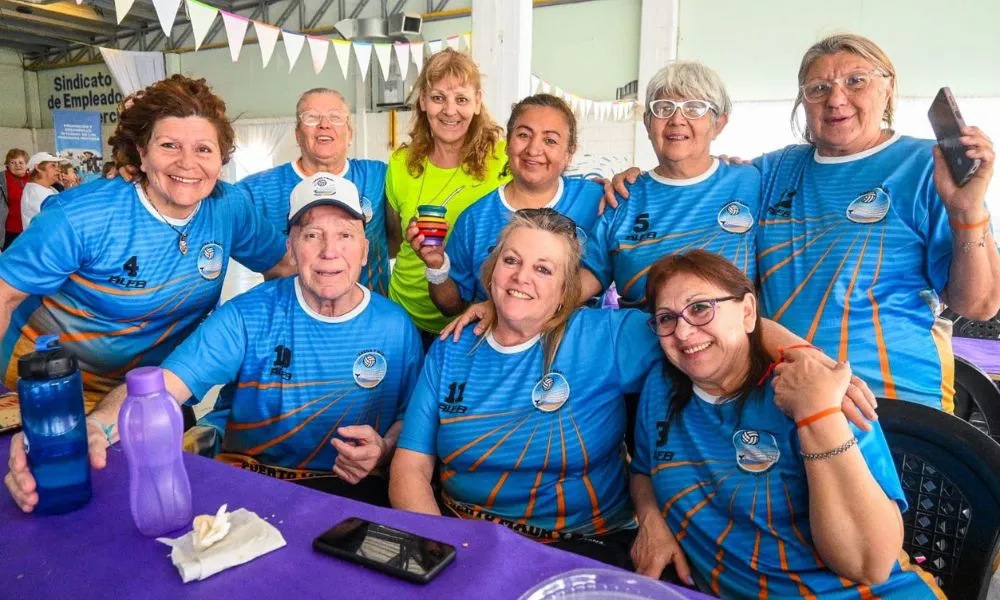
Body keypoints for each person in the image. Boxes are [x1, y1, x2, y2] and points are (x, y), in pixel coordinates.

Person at [609, 34, 999, 412]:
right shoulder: (774, 170)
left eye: (856, 81)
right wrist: (628, 184)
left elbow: (980, 304)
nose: (836, 99)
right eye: (817, 88)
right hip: (780, 397)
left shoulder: (926, 166)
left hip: (889, 399)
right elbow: (693, 178)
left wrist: (967, 212)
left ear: (887, 88)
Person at [4, 174, 421, 512]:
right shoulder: (247, 315)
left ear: (366, 251)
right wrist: (92, 429)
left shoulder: (396, 327)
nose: (330, 251)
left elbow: (412, 424)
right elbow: (165, 385)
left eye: (345, 235)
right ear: (291, 247)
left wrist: (383, 450)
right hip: (251, 489)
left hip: (350, 495)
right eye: (312, 235)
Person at [630, 249, 942, 598]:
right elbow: (643, 468)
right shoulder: (661, 386)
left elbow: (871, 564)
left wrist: (817, 416)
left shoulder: (817, 389)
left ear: (747, 312)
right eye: (666, 318)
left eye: (701, 308)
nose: (684, 332)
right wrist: (651, 519)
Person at [0, 75, 291, 411]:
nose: (187, 162)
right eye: (169, 145)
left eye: (203, 149)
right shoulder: (82, 215)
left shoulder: (229, 207)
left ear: (221, 159)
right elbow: (4, 294)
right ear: (142, 152)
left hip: (148, 391)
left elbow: (284, 268)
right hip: (41, 386)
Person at [390, 208, 658, 567]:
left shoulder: (606, 336)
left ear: (566, 290)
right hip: (462, 538)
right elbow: (410, 468)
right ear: (492, 271)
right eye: (511, 260)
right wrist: (443, 554)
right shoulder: (451, 346)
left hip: (579, 545)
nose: (520, 277)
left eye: (543, 269)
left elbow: (704, 334)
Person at [583, 61, 761, 309]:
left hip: (728, 346)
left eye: (694, 108)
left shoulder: (753, 182)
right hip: (638, 345)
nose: (677, 119)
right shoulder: (623, 196)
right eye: (663, 108)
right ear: (647, 123)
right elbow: (587, 278)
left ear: (718, 123)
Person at [409, 93, 603, 317]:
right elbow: (452, 307)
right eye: (523, 135)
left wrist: (628, 178)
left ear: (570, 153)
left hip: (574, 345)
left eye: (550, 140)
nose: (533, 150)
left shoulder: (597, 200)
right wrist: (436, 267)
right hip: (500, 348)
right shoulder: (475, 219)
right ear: (508, 142)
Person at [385, 48, 510, 341]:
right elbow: (394, 241)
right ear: (423, 102)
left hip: (474, 315)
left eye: (462, 99)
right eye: (438, 98)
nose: (450, 110)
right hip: (405, 314)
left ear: (478, 102)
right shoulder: (401, 164)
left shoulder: (504, 160)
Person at [237, 88, 391, 295]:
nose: (324, 124)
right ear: (297, 134)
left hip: (369, 316)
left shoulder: (378, 176)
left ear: (350, 134)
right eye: (311, 117)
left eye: (336, 117)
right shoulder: (257, 189)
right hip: (292, 318)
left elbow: (396, 240)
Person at [20, 152, 68, 229]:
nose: (58, 169)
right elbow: (60, 219)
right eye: (53, 165)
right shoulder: (35, 193)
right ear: (38, 168)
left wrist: (67, 186)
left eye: (58, 165)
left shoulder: (49, 189)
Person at [2, 148, 29, 249]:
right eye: (13, 162)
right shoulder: (2, 179)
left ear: (27, 164)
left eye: (21, 162)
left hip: (30, 228)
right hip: (10, 230)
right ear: (7, 165)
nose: (17, 165)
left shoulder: (34, 179)